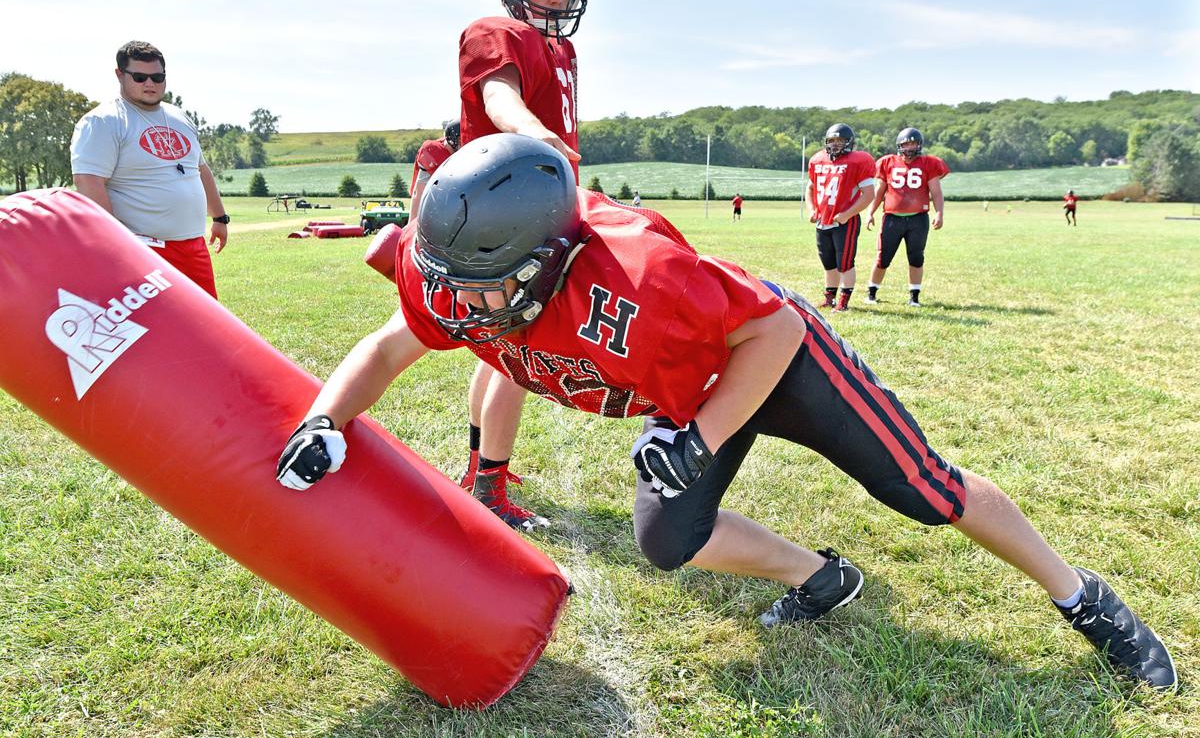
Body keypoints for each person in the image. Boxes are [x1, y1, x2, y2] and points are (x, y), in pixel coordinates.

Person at [277, 134, 1177, 692]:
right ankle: (819, 575)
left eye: (485, 288)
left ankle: (1085, 597)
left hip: (770, 359)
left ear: (550, 257)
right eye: (450, 283)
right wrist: (325, 418)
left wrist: (701, 432)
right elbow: (392, 343)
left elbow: (775, 327)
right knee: (670, 537)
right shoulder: (457, 276)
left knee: (926, 492)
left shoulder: (635, 282)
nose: (458, 308)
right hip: (685, 391)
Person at [451, 0, 593, 531]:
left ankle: (482, 467)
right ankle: (488, 488)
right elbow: (500, 101)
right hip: (504, 207)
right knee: (521, 350)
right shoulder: (495, 33)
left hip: (532, 201)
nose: (556, 0)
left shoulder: (561, 49)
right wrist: (544, 143)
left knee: (497, 347)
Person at [71, 41, 229, 298]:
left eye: (157, 77)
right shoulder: (104, 121)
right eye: (140, 77)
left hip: (193, 246)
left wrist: (220, 217)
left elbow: (200, 170)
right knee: (157, 331)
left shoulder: (179, 117)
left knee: (203, 330)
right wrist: (116, 244)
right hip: (143, 249)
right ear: (119, 75)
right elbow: (89, 182)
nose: (150, 83)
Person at [864, 127, 948, 307]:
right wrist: (870, 212)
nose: (909, 147)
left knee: (916, 257)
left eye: (913, 143)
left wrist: (939, 212)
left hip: (918, 219)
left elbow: (937, 193)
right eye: (906, 143)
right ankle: (871, 293)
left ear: (920, 145)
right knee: (883, 257)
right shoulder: (888, 162)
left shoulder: (929, 163)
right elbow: (879, 192)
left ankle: (914, 296)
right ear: (899, 145)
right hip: (892, 218)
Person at [807, 123, 876, 312]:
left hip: (845, 220)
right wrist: (812, 209)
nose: (836, 144)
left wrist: (847, 215)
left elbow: (869, 194)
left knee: (844, 263)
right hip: (823, 220)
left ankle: (843, 302)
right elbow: (810, 188)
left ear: (849, 142)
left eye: (840, 140)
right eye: (832, 140)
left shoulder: (858, 161)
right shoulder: (818, 159)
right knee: (828, 262)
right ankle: (829, 298)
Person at [409, 119, 460, 217]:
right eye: (461, 139)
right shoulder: (433, 151)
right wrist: (412, 222)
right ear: (451, 138)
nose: (466, 142)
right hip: (432, 203)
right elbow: (418, 193)